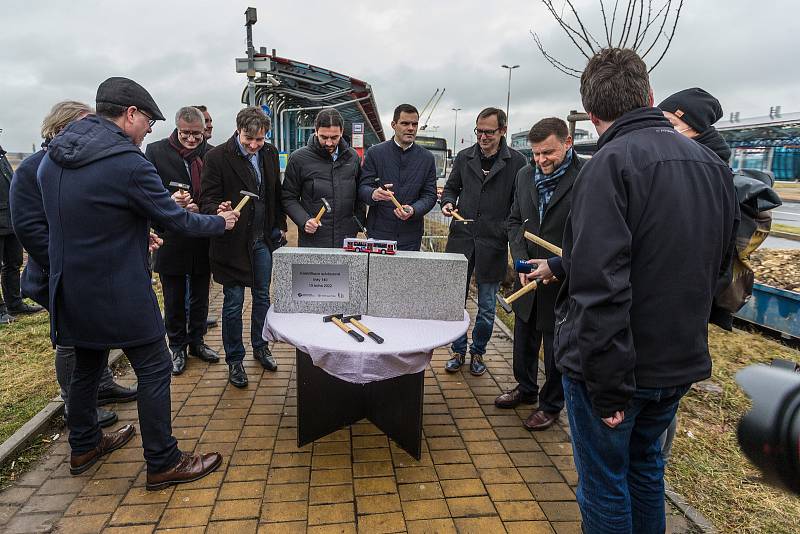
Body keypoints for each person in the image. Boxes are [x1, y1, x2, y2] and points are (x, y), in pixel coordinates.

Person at [553, 49, 738, 533]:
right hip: (677, 362)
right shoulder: (712, 167)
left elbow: (598, 287)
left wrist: (608, 388)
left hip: (616, 371)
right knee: (646, 473)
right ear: (651, 96)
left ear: (592, 115)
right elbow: (721, 266)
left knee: (604, 485)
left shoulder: (607, 165)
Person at [36, 77, 239, 489]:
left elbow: (86, 217)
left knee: (87, 367)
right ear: (129, 114)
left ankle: (84, 445)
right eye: (148, 119)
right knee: (155, 367)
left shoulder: (52, 159)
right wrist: (220, 222)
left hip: (71, 288)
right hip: (120, 289)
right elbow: (176, 218)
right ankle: (163, 461)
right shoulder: (128, 161)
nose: (150, 129)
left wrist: (132, 229)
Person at [657, 87, 780, 461]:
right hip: (678, 299)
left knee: (662, 391)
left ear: (691, 127)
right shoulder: (697, 163)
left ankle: (654, 463)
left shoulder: (707, 171)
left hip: (681, 299)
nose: (660, 131)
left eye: (669, 123)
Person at [10, 100, 138, 428]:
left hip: (90, 272)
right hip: (58, 274)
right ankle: (74, 406)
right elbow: (29, 227)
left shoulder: (81, 165)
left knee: (95, 333)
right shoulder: (34, 167)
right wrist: (63, 265)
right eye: (86, 123)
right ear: (63, 125)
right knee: (71, 341)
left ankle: (103, 386)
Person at [497, 117, 584, 430]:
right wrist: (520, 263)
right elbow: (513, 221)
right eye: (535, 154)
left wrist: (561, 266)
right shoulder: (524, 175)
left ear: (568, 142)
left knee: (556, 350)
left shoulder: (586, 176)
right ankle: (526, 388)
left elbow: (592, 234)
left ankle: (550, 405)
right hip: (528, 275)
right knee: (523, 340)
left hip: (563, 279)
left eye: (548, 153)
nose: (541, 160)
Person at [201, 107, 286, 388]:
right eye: (249, 138)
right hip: (232, 244)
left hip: (263, 239)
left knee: (262, 295)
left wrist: (280, 226)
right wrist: (218, 209)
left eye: (259, 140)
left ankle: (260, 346)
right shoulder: (216, 157)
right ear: (238, 130)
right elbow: (207, 200)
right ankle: (235, 359)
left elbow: (275, 193)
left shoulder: (270, 153)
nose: (253, 145)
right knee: (233, 302)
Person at [440, 107, 526, 376]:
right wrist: (448, 203)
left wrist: (504, 229)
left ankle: (478, 351)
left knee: (488, 306)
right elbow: (451, 188)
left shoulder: (518, 163)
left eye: (489, 132)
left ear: (503, 130)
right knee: (455, 301)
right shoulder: (465, 157)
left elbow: (519, 204)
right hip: (462, 239)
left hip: (493, 242)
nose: (483, 137)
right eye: (479, 131)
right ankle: (457, 350)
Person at [145, 106, 219, 375]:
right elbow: (147, 190)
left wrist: (202, 208)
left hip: (200, 235)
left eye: (197, 134)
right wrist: (170, 201)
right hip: (171, 236)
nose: (191, 139)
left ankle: (197, 341)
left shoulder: (211, 154)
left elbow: (213, 190)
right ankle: (176, 345)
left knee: (200, 294)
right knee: (174, 296)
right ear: (177, 128)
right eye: (186, 133)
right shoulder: (156, 152)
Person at [358, 104, 437, 250]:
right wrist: (374, 194)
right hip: (378, 233)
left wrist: (414, 209)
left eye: (414, 124)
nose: (411, 128)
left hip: (411, 234)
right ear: (394, 125)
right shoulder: (375, 153)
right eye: (405, 123)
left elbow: (430, 195)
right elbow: (362, 187)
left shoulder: (427, 158)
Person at [282, 108, 363, 247]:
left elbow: (358, 196)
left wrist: (356, 225)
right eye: (324, 137)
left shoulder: (353, 157)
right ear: (316, 130)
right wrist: (304, 221)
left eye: (334, 137)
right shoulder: (298, 158)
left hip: (346, 239)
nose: (329, 143)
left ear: (342, 132)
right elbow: (288, 197)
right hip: (313, 239)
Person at [1, 139, 43, 324]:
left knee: (13, 262)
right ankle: (1, 311)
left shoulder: (2, 156)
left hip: (9, 219)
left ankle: (14, 303)